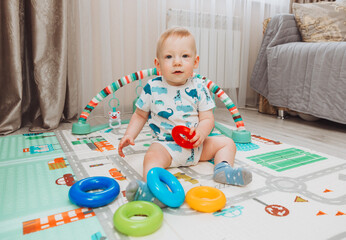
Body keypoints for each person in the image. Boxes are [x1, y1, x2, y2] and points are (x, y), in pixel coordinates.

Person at [118, 27, 252, 207]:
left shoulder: (199, 87)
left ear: (195, 61)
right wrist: (129, 135)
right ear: (158, 64)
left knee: (227, 143)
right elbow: (140, 114)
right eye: (169, 57)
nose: (177, 63)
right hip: (167, 146)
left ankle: (223, 168)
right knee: (151, 156)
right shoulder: (152, 87)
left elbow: (207, 118)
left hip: (197, 146)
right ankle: (152, 189)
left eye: (184, 56)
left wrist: (201, 133)